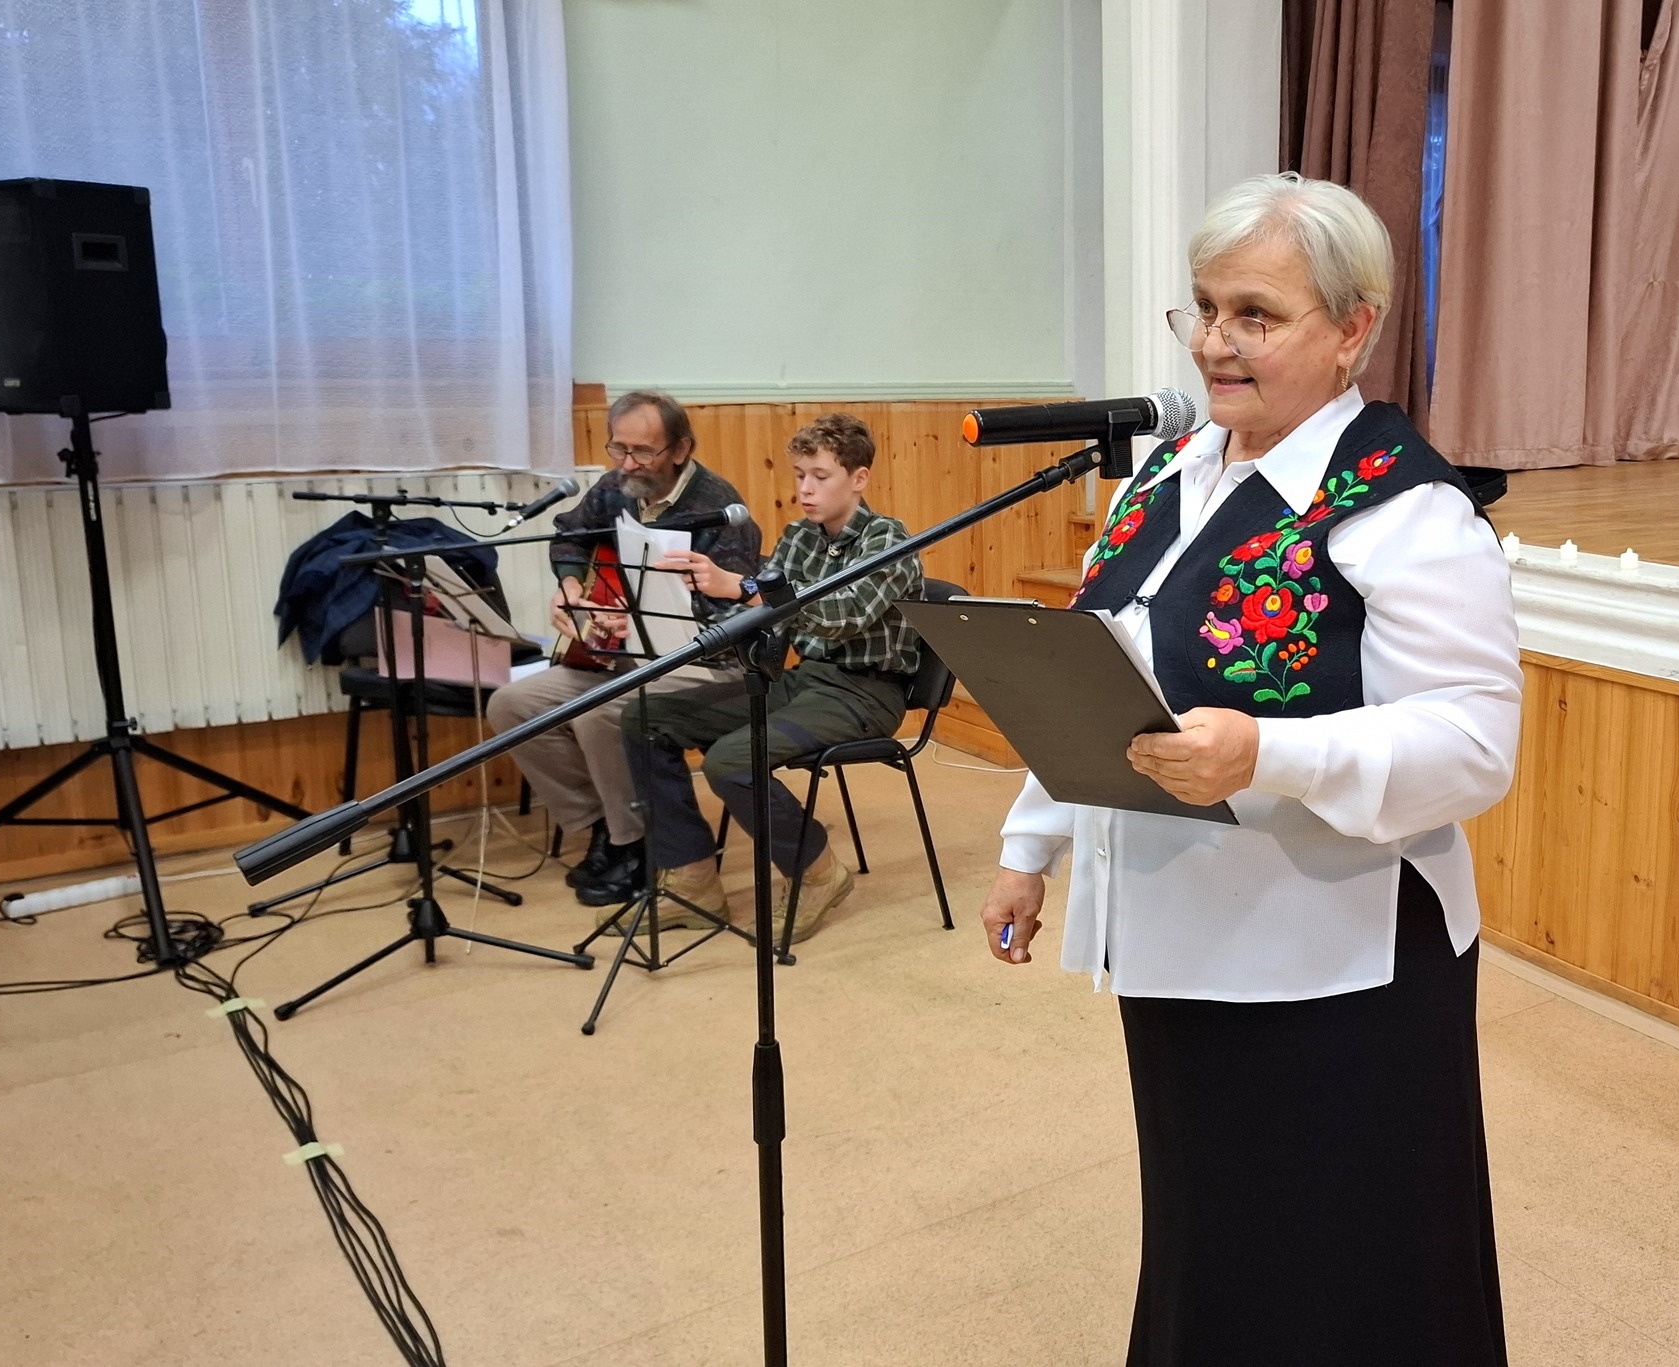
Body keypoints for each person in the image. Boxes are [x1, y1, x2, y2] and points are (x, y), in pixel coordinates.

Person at [982, 172, 1523, 1365]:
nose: (1214, 343)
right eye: (1205, 307)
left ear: (1352, 329)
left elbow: (1473, 743)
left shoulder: (1405, 509)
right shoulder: (1166, 477)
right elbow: (1099, 672)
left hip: (1337, 961)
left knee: (1337, 1263)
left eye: (1255, 315)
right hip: (1177, 934)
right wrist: (1032, 844)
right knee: (1213, 1238)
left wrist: (1270, 749)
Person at [626, 412, 924, 942]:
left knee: (731, 760)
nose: (805, 489)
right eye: (800, 475)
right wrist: (684, 625)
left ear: (859, 478)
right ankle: (693, 877)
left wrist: (744, 587)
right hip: (806, 681)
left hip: (866, 693)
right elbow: (767, 621)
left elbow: (841, 616)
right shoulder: (798, 537)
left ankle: (818, 871)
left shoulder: (888, 540)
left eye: (820, 476)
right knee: (644, 717)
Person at [486, 389, 760, 913]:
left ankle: (638, 844)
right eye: (619, 448)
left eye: (643, 452)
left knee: (602, 714)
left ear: (680, 450)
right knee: (512, 706)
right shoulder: (616, 487)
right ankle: (602, 829)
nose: (628, 463)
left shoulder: (718, 509)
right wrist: (571, 589)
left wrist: (641, 618)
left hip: (705, 665)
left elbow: (734, 615)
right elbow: (570, 535)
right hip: (622, 654)